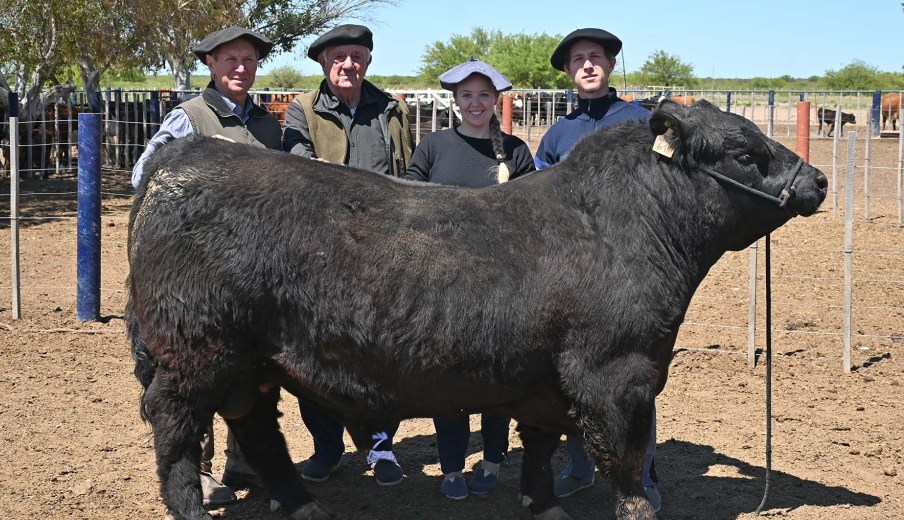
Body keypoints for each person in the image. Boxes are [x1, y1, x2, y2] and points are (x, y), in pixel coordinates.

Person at [130, 26, 282, 506]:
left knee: (255, 362)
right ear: (211, 65)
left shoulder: (267, 124)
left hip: (255, 265)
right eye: (231, 59)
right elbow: (144, 175)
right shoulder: (190, 117)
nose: (241, 68)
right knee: (198, 365)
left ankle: (246, 459)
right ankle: (199, 469)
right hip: (199, 268)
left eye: (249, 60)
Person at [534, 28, 662, 513]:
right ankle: (579, 467)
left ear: (609, 64)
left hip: (634, 271)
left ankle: (642, 475)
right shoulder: (559, 133)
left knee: (633, 376)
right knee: (574, 373)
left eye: (594, 57)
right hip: (575, 274)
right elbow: (542, 195)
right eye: (578, 60)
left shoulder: (642, 122)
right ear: (569, 72)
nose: (586, 65)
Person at [281, 23, 414, 486]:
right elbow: (299, 169)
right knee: (317, 351)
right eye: (338, 57)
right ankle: (326, 447)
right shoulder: (302, 109)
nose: (348, 64)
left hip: (383, 249)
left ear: (368, 61)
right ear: (323, 62)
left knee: (382, 351)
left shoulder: (392, 108)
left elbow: (408, 173)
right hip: (322, 250)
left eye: (357, 56)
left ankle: (380, 447)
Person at [403, 58, 534, 500]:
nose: (475, 103)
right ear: (455, 100)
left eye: (483, 95)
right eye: (466, 96)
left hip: (503, 285)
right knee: (449, 379)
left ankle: (493, 460)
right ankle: (452, 467)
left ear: (495, 100)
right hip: (444, 286)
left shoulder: (515, 151)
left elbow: (533, 215)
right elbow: (408, 200)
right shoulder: (433, 146)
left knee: (500, 378)